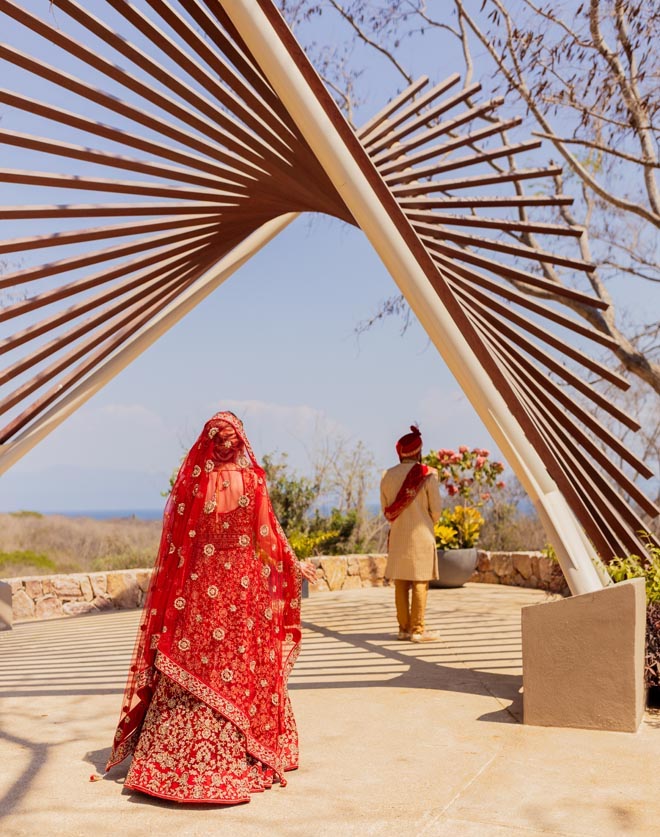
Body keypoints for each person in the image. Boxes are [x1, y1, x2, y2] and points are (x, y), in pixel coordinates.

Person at [105, 411, 317, 803]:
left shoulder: (193, 486)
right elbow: (268, 538)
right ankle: (242, 753)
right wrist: (294, 564)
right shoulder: (252, 482)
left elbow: (173, 548)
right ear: (239, 443)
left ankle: (168, 761)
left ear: (210, 443)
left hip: (199, 588)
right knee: (240, 663)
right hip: (242, 589)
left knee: (194, 659)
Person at [380, 425, 443, 643]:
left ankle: (403, 629)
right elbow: (436, 510)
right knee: (419, 581)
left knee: (400, 582)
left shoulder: (387, 475)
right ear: (418, 451)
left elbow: (387, 509)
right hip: (422, 534)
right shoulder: (427, 475)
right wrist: (427, 520)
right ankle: (417, 630)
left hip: (398, 534)